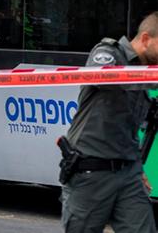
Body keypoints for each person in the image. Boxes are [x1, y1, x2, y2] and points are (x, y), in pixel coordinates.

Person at [60, 12, 158, 233]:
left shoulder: (146, 74)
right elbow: (105, 78)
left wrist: (137, 165)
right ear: (145, 39)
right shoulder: (108, 53)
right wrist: (148, 80)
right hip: (91, 171)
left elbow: (128, 127)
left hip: (128, 172)